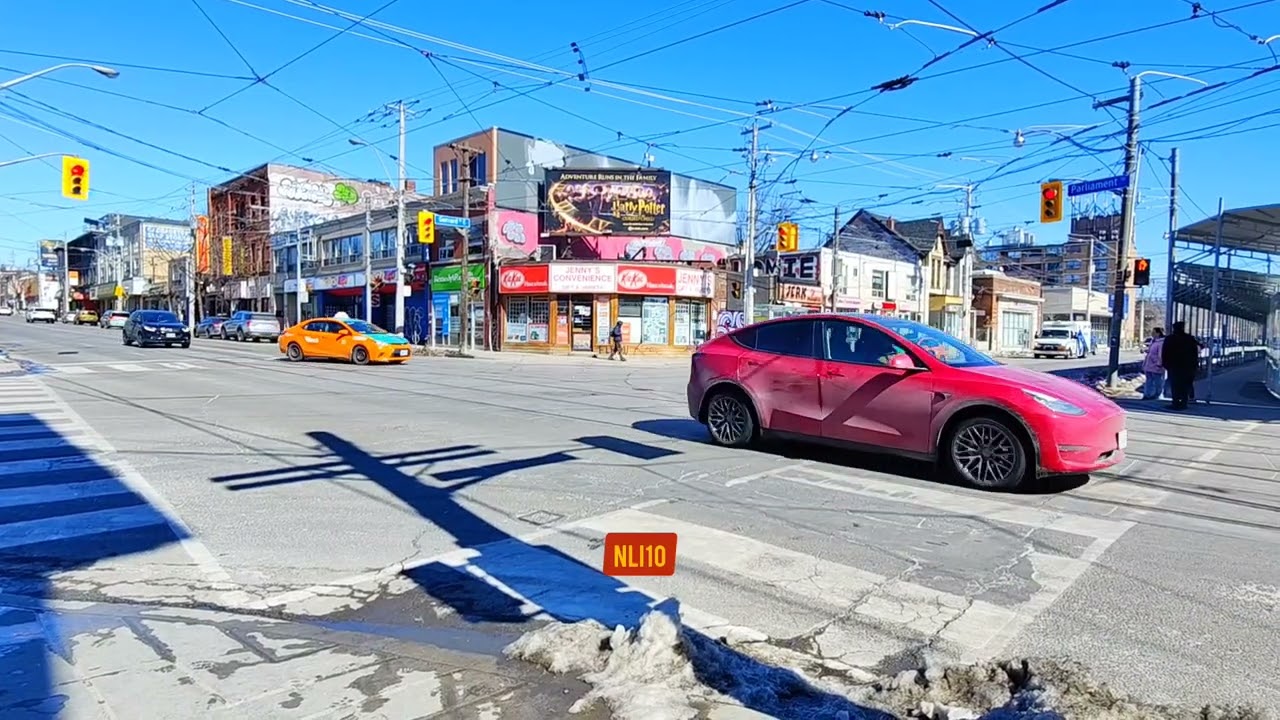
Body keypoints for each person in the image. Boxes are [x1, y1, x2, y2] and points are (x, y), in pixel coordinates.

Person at [1161, 321, 1200, 410]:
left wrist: (1166, 364)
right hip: (1188, 366)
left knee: (1175, 385)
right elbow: (1194, 353)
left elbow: (1165, 353)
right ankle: (1184, 402)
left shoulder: (1170, 339)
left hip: (1174, 366)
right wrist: (1195, 365)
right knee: (1185, 385)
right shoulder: (1190, 339)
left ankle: (1176, 402)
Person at [1142, 327, 1166, 400]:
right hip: (1149, 365)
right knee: (1149, 381)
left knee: (1157, 381)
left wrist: (1159, 364)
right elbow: (1151, 352)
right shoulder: (1153, 341)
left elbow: (1160, 354)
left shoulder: (1161, 343)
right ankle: (1147, 394)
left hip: (1156, 366)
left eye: (1154, 332)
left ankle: (1157, 395)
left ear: (1158, 333)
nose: (1152, 334)